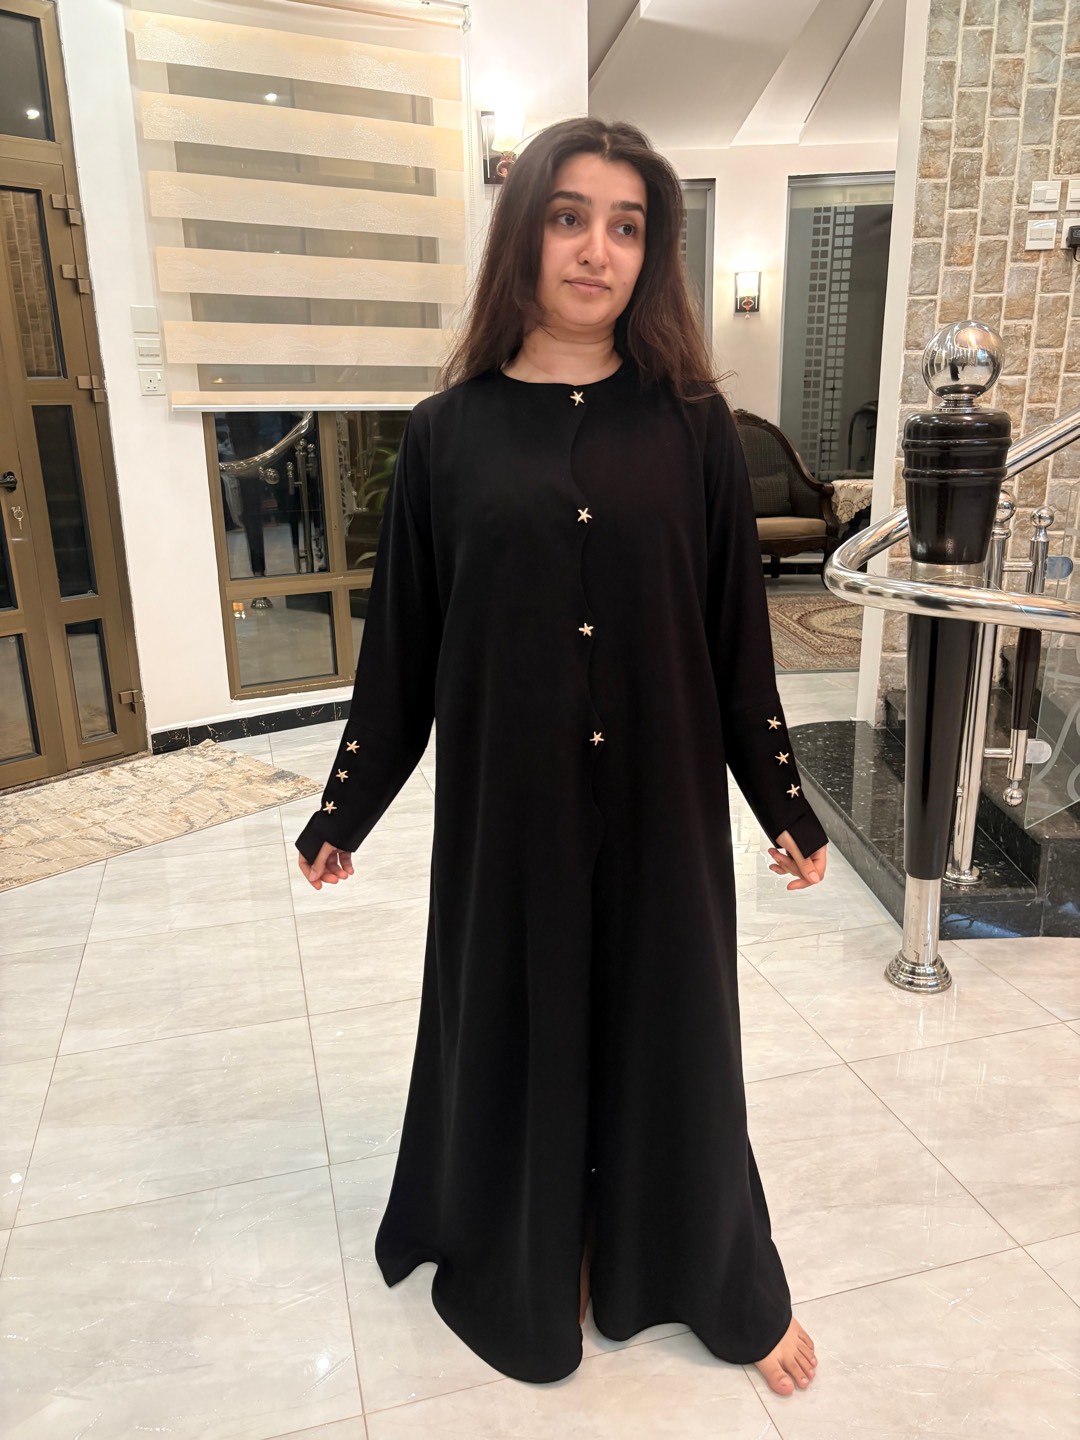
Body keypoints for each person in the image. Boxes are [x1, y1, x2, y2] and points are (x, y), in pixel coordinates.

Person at [295, 116, 827, 1396]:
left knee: (669, 1023)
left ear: (654, 252)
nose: (598, 250)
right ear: (523, 233)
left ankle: (699, 1266)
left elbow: (733, 640)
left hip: (660, 799)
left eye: (628, 227)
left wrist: (784, 801)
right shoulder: (446, 436)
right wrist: (344, 809)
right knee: (520, 1016)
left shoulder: (696, 428)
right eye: (571, 217)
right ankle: (538, 1244)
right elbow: (402, 650)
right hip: (513, 806)